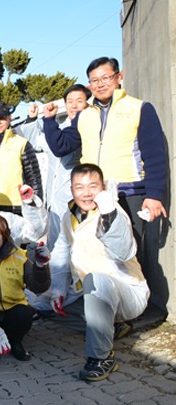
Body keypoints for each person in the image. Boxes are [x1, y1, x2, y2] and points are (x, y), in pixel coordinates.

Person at [42, 57, 168, 314]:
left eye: (105, 78)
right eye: (94, 80)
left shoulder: (139, 108)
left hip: (130, 193)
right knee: (101, 253)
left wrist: (154, 195)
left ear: (118, 77)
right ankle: (109, 308)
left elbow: (155, 155)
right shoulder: (84, 115)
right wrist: (49, 121)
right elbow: (62, 146)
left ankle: (141, 311)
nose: (100, 84)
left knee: (132, 253)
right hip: (95, 195)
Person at [41, 163, 149, 381]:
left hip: (126, 292)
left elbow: (123, 252)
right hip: (89, 293)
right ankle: (110, 328)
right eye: (79, 187)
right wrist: (58, 290)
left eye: (93, 186)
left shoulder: (113, 212)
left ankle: (102, 358)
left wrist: (108, 214)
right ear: (72, 190)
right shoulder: (68, 216)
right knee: (40, 303)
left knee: (96, 279)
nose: (86, 193)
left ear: (103, 188)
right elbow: (61, 256)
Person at [0, 213, 51, 361]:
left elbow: (37, 287)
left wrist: (40, 266)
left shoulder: (19, 256)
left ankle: (15, 342)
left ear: (4, 233)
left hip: (13, 306)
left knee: (23, 314)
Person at [16, 84, 91, 249]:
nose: (74, 105)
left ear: (87, 104)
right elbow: (35, 142)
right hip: (53, 195)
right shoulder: (58, 127)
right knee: (56, 242)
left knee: (78, 241)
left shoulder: (89, 127)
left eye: (79, 101)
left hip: (77, 194)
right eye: (70, 101)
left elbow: (60, 147)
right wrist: (32, 119)